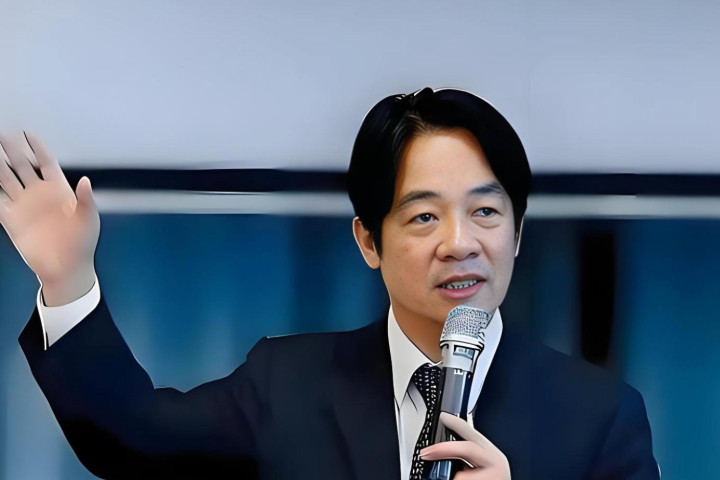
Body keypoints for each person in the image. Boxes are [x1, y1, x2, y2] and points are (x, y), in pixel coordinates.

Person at [0, 88, 660, 479]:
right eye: (424, 216)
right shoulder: (287, 384)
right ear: (369, 241)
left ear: (517, 234)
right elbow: (132, 440)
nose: (460, 243)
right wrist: (66, 277)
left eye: (486, 212)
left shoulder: (600, 417)